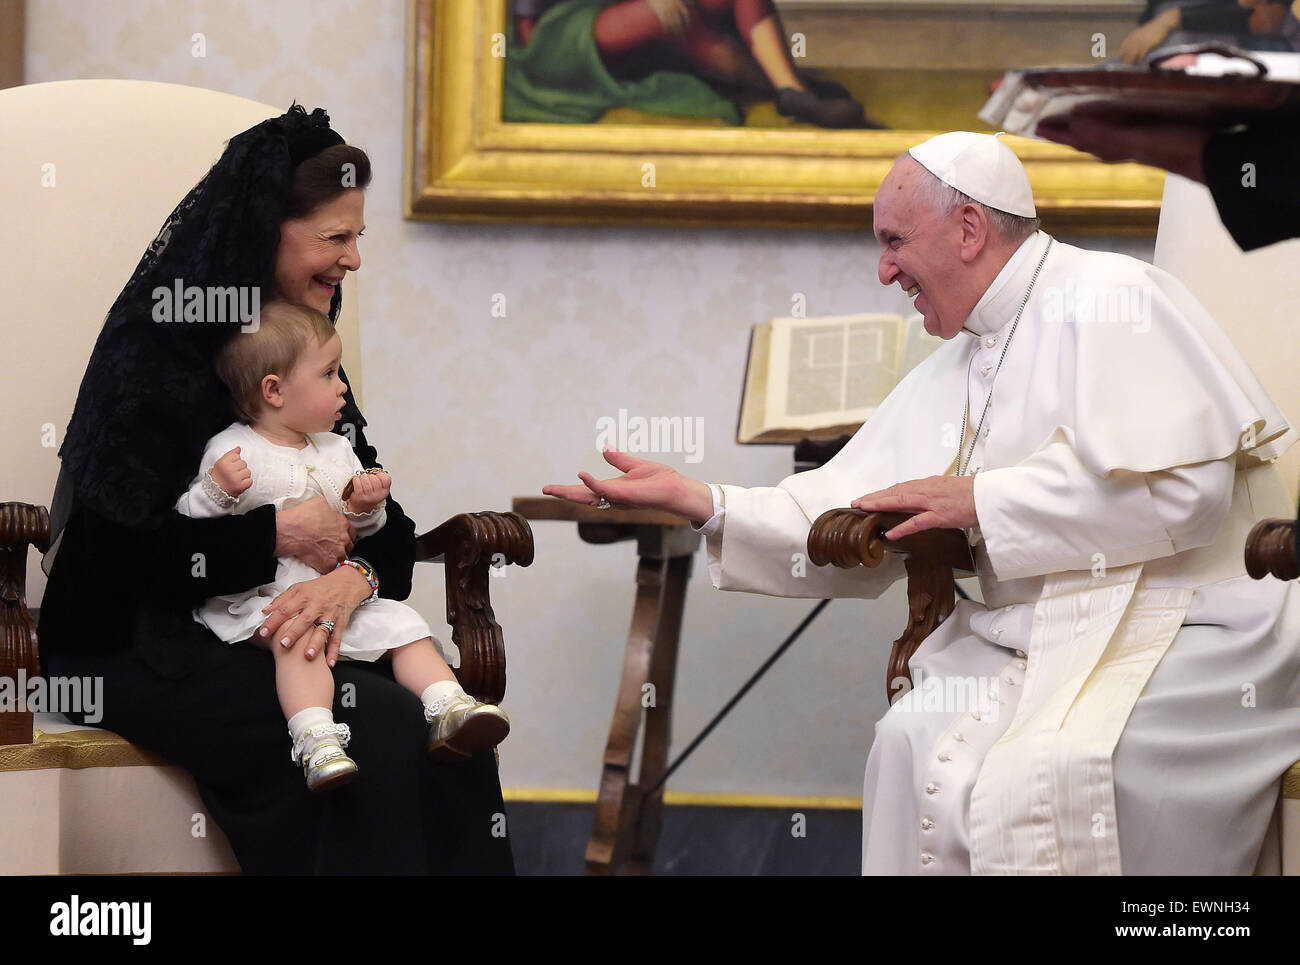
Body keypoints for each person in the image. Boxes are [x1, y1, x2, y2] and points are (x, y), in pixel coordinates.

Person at [544, 132, 1300, 874]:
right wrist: (701, 500)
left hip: (1193, 622)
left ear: (969, 229)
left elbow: (1185, 498)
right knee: (911, 739)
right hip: (1036, 635)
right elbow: (847, 505)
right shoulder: (964, 358)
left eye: (894, 241)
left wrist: (980, 499)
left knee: (1077, 762)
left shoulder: (1115, 298)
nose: (883, 270)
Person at [38, 104, 515, 874]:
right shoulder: (158, 346)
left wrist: (354, 578)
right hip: (133, 643)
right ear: (267, 230)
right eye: (337, 237)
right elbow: (109, 565)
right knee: (381, 727)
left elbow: (382, 524)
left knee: (448, 732)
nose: (355, 259)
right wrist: (274, 538)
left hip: (275, 627)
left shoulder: (301, 350)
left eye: (358, 238)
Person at [177, 300, 510, 792]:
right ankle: (315, 739)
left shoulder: (336, 448)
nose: (343, 389)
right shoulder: (235, 449)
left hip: (332, 593)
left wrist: (366, 506)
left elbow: (359, 528)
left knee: (405, 625)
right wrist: (216, 490)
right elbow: (190, 524)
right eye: (329, 374)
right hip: (263, 600)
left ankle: (449, 705)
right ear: (274, 390)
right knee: (298, 643)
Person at [505, 0, 872, 128]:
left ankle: (789, 88)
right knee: (670, 18)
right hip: (556, 40)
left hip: (613, 19)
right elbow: (530, 30)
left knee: (695, 11)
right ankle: (785, 86)